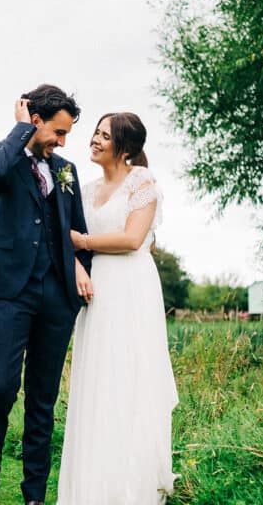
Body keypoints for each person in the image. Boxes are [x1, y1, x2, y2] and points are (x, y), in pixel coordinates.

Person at [0, 84, 93, 505]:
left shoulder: (67, 170)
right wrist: (18, 130)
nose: (62, 142)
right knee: (0, 387)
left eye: (67, 135)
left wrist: (76, 277)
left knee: (43, 399)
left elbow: (76, 232)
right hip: (9, 291)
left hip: (56, 296)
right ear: (34, 120)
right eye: (58, 132)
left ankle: (34, 496)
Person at [57, 112, 178, 504]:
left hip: (131, 288)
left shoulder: (141, 181)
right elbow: (67, 240)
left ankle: (130, 487)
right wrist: (76, 263)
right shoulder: (86, 188)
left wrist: (83, 244)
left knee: (129, 379)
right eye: (95, 131)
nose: (94, 139)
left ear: (125, 148)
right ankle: (91, 486)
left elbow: (131, 238)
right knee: (97, 381)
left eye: (104, 135)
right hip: (94, 289)